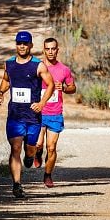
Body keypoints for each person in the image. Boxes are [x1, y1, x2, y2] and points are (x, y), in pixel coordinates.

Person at [0, 31, 55, 198]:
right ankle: (16, 185)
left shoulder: (38, 65)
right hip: (15, 115)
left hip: (33, 118)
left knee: (29, 150)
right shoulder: (9, 64)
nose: (22, 46)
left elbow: (51, 85)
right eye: (19, 43)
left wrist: (42, 103)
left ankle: (31, 156)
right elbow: (7, 80)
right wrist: (0, 92)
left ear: (31, 45)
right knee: (15, 148)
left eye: (25, 43)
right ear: (16, 45)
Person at [34, 37, 76, 188]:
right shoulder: (37, 67)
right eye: (48, 49)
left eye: (53, 49)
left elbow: (73, 88)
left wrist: (63, 88)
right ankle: (37, 153)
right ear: (44, 50)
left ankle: (47, 175)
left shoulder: (64, 69)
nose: (50, 51)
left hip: (55, 113)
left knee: (51, 147)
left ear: (57, 50)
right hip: (38, 112)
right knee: (38, 144)